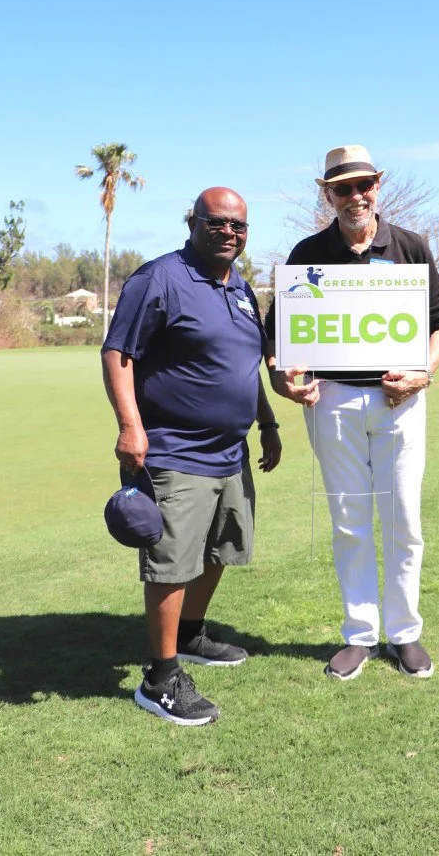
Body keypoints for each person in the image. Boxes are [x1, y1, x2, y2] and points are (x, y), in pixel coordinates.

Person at [265, 146, 439, 681]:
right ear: (327, 194)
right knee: (349, 521)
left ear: (377, 185)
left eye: (363, 185)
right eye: (342, 188)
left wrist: (424, 374)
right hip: (334, 401)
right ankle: (360, 635)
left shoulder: (410, 246)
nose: (355, 196)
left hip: (401, 399)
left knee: (404, 521)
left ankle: (405, 634)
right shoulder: (307, 253)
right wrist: (282, 377)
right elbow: (277, 335)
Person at [102, 187, 281, 726]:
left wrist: (267, 422)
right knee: (172, 562)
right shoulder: (160, 277)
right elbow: (118, 353)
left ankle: (190, 635)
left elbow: (241, 366)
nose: (229, 232)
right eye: (217, 222)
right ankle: (160, 678)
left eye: (239, 226)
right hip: (175, 449)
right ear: (194, 222)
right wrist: (131, 426)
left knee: (219, 548)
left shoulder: (243, 289)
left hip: (231, 450)